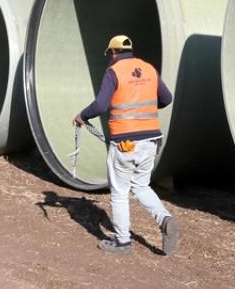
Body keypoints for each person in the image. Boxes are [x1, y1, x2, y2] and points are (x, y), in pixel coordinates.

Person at [73, 34, 180, 255]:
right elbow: (166, 98)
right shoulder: (149, 69)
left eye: (109, 54)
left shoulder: (114, 72)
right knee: (141, 185)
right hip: (151, 140)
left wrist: (82, 116)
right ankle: (165, 219)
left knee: (120, 192)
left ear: (113, 53)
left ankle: (123, 242)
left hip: (125, 143)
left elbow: (101, 105)